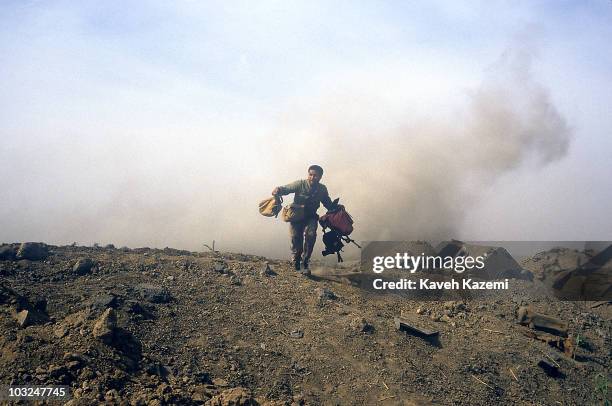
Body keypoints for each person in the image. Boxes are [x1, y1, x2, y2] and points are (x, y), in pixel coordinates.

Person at [272, 165, 334, 272]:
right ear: (308, 174)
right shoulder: (300, 184)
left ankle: (305, 260)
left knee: (311, 236)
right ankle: (296, 259)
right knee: (295, 238)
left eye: (315, 175)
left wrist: (335, 208)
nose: (312, 177)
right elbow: (287, 188)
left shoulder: (322, 189)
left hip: (311, 216)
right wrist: (278, 189)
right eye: (310, 175)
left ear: (320, 177)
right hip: (296, 215)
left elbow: (327, 202)